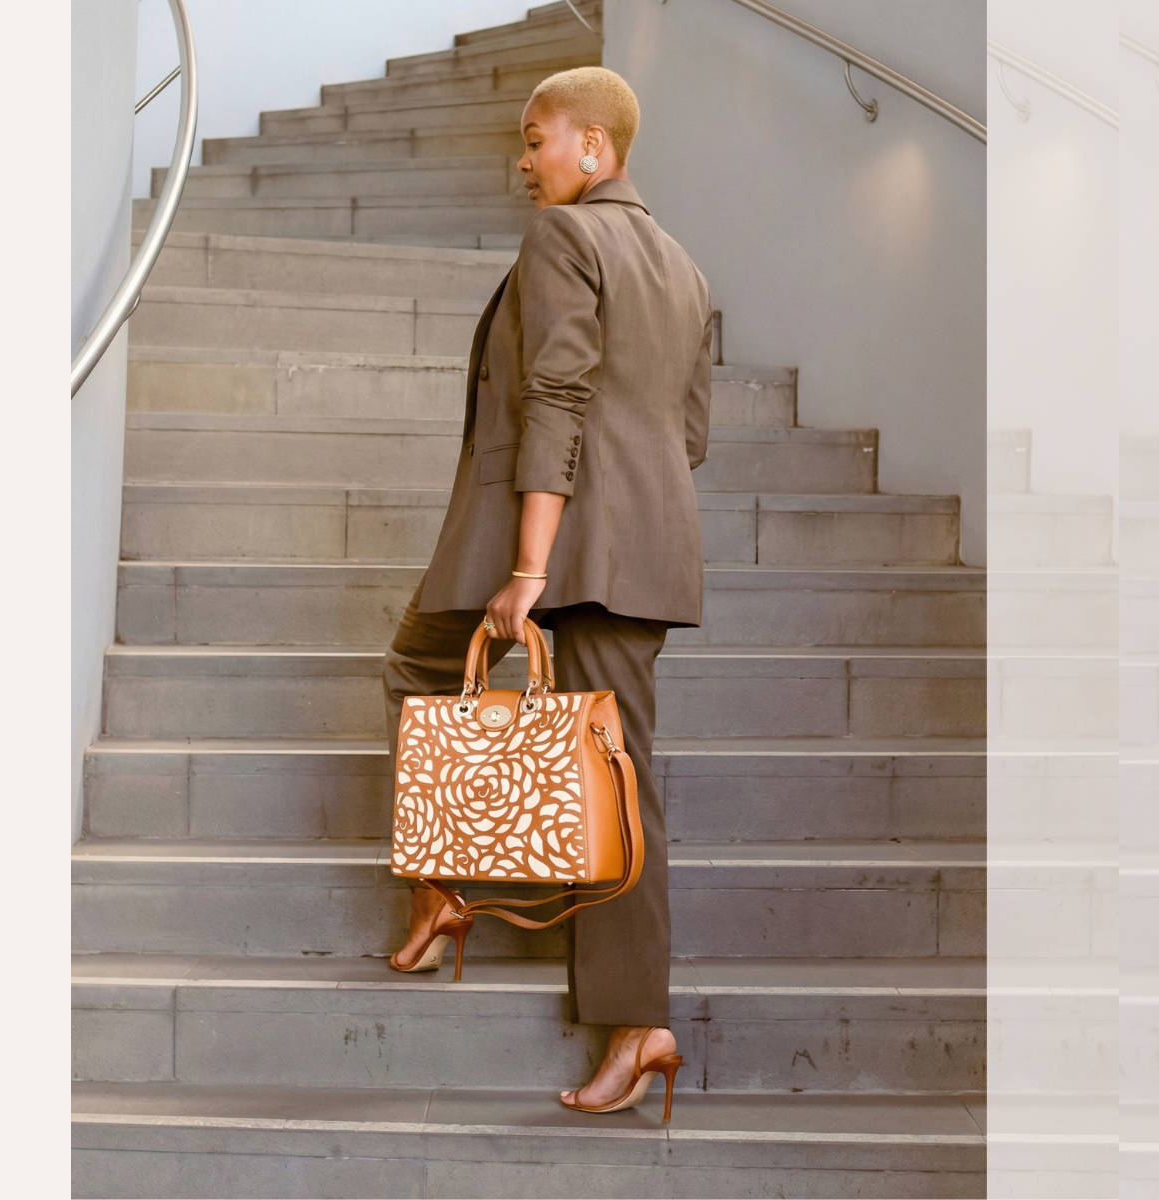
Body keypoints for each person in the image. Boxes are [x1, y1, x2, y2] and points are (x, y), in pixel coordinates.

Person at [380, 66, 713, 1116]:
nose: (523, 161)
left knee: (619, 785)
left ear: (596, 150)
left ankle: (637, 1021)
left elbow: (555, 393)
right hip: (643, 543)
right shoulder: (687, 270)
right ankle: (448, 888)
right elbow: (691, 433)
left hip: (566, 541)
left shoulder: (567, 240)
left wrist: (530, 566)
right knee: (430, 666)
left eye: (537, 139)